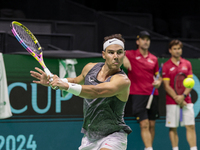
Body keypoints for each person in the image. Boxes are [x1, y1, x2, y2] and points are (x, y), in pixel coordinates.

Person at [30, 34, 132, 150]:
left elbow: (96, 91)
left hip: (113, 135)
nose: (116, 56)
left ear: (124, 54)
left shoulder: (122, 81)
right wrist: (55, 81)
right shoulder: (90, 68)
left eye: (119, 52)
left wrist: (67, 86)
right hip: (90, 136)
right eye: (111, 52)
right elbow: (76, 80)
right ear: (104, 54)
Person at [123, 31, 162, 150]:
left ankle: (148, 147)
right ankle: (149, 148)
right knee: (144, 124)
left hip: (152, 94)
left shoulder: (153, 58)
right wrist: (123, 57)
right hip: (138, 94)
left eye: (148, 39)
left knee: (151, 125)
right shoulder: (130, 54)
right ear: (138, 41)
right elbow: (116, 50)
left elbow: (158, 75)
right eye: (143, 39)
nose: (146, 41)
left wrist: (159, 81)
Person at [162, 40, 198, 150]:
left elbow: (190, 83)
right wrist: (177, 98)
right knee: (173, 127)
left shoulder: (187, 63)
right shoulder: (166, 66)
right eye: (175, 49)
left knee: (191, 126)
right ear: (170, 50)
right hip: (172, 101)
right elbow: (166, 86)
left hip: (186, 100)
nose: (177, 51)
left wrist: (182, 96)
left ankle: (193, 148)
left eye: (179, 48)